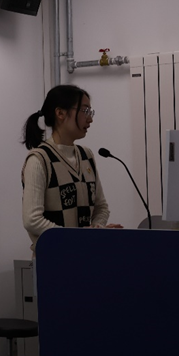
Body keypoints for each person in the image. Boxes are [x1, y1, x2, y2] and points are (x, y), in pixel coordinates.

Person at [21, 84, 122, 255]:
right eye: (84, 111)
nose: (90, 119)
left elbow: (101, 207)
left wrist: (97, 229)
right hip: (54, 259)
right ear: (60, 113)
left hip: (85, 255)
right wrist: (77, 237)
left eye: (90, 112)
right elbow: (32, 219)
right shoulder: (39, 160)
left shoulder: (86, 155)